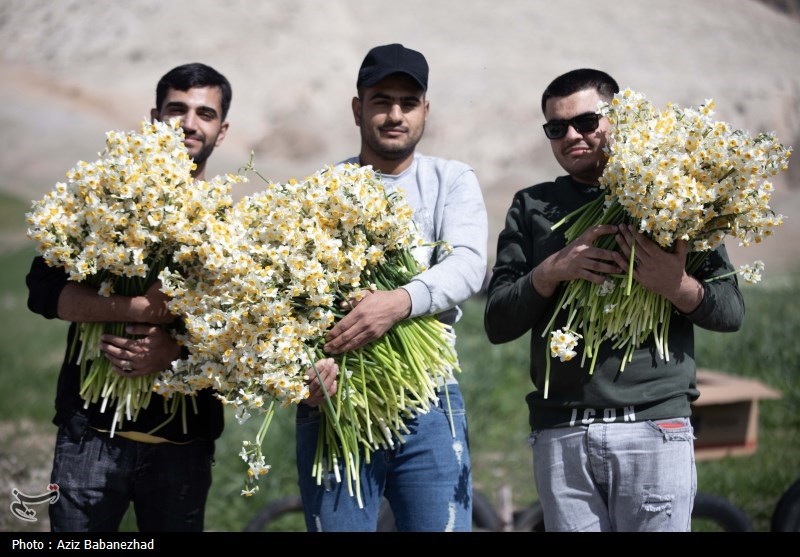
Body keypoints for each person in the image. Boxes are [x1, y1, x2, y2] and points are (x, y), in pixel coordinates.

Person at [26, 62, 336, 532]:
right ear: (155, 117)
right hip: (89, 437)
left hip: (183, 450)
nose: (189, 123)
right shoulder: (105, 199)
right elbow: (41, 291)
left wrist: (176, 353)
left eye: (204, 114)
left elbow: (245, 337)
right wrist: (132, 308)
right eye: (177, 109)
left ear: (222, 130)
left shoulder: (234, 229)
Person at [483, 68, 745, 532]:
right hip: (562, 431)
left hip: (654, 426)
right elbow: (497, 322)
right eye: (556, 128)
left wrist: (674, 284)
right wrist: (553, 270)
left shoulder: (677, 192)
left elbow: (731, 311)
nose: (571, 136)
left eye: (586, 122)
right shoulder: (532, 206)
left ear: (618, 120)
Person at [295, 43, 488, 532]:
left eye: (408, 102)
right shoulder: (322, 189)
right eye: (381, 101)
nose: (394, 115)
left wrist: (398, 303)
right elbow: (290, 298)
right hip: (338, 397)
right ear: (358, 108)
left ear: (425, 110)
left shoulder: (451, 180)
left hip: (430, 398)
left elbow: (466, 265)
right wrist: (304, 368)